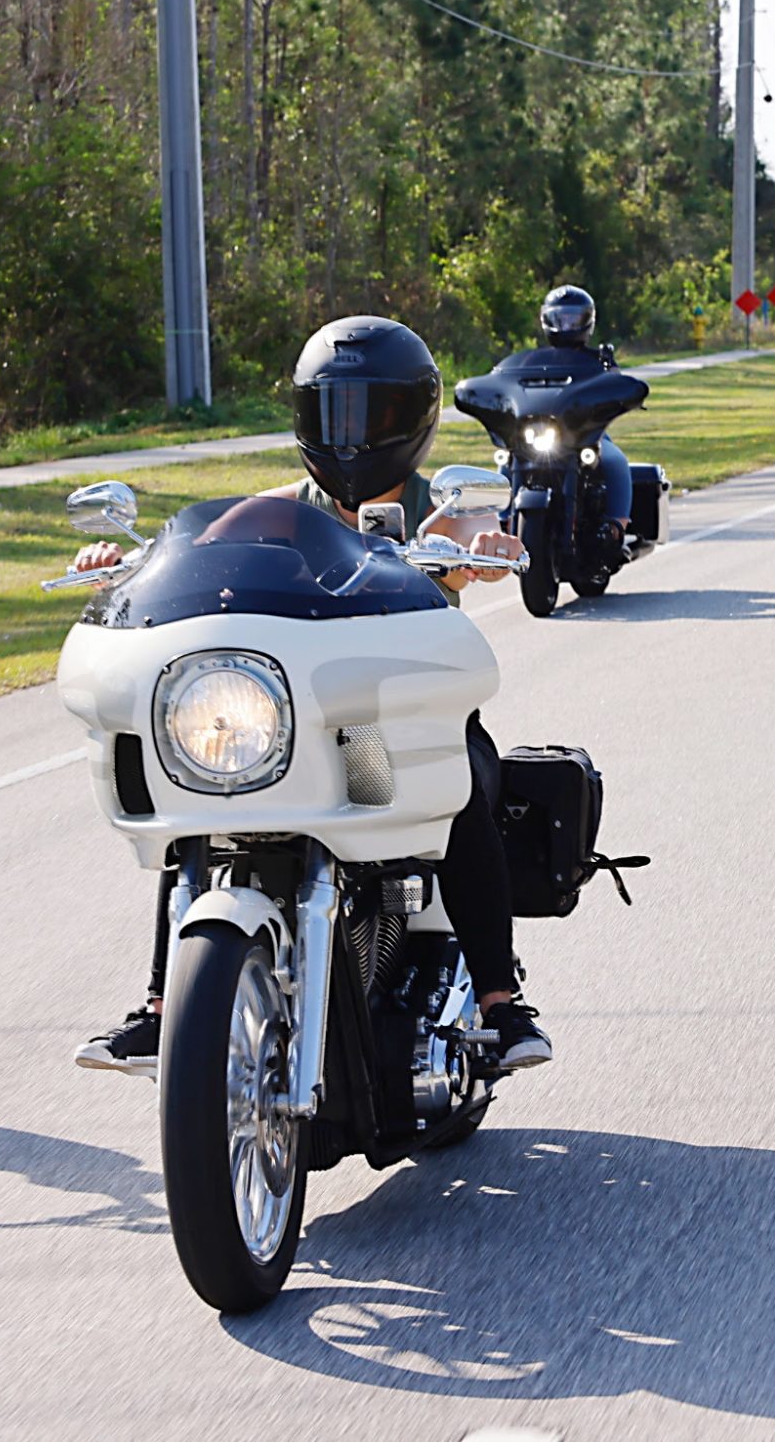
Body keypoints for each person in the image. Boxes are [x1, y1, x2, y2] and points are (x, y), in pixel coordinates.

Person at [70, 316, 553, 1076]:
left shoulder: (443, 510)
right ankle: (166, 1007)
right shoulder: (273, 512)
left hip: (392, 731)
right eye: (335, 411)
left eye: (377, 413)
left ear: (415, 419)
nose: (354, 434)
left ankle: (500, 1000)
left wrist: (488, 550)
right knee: (194, 803)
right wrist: (124, 568)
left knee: (458, 792)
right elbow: (196, 561)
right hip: (297, 726)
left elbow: (481, 543)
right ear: (305, 417)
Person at [533, 284, 639, 552]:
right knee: (508, 460)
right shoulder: (534, 361)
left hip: (590, 435)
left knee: (615, 460)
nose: (566, 324)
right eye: (560, 317)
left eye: (573, 318)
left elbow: (617, 382)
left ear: (587, 321)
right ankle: (503, 519)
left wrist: (619, 387)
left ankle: (617, 525)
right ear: (547, 320)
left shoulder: (598, 360)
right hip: (543, 434)